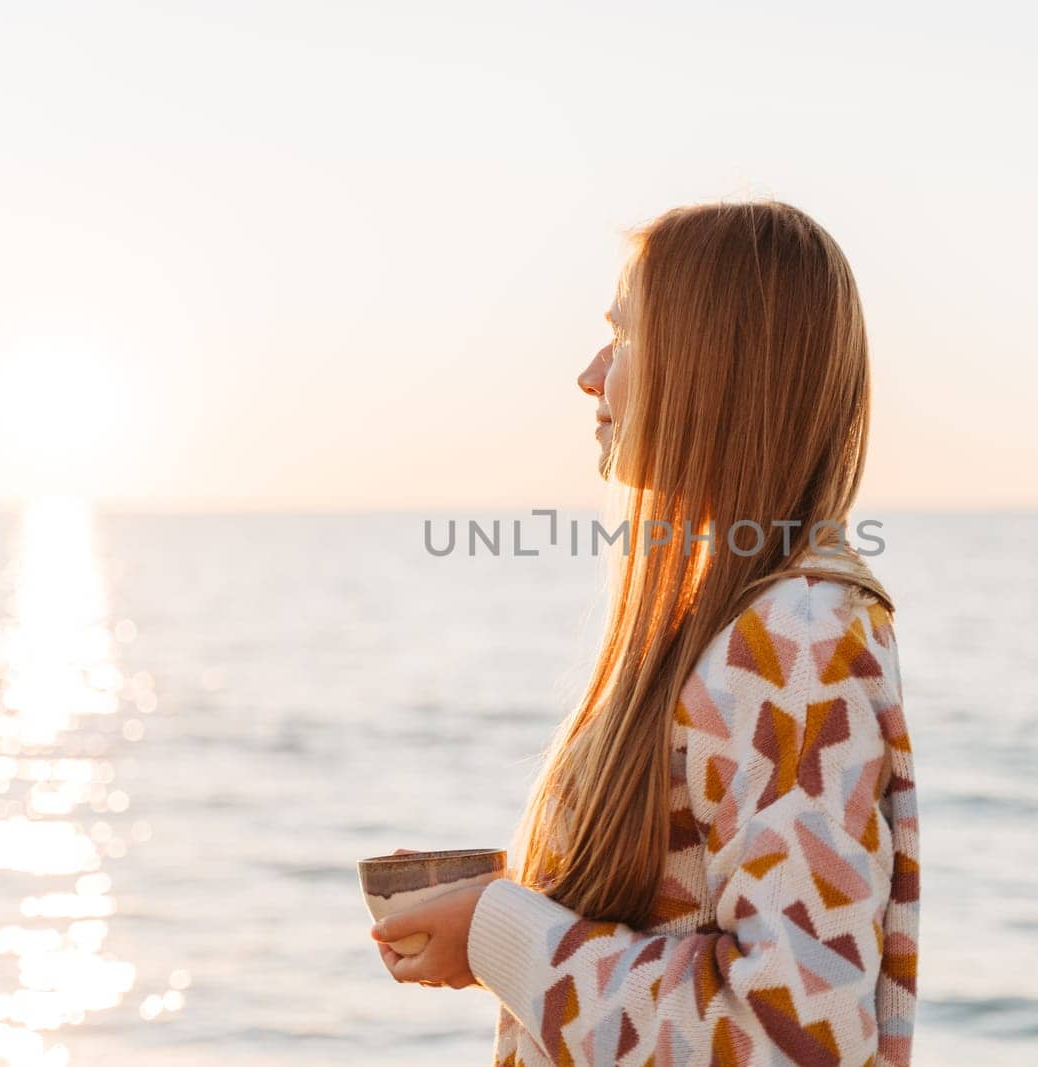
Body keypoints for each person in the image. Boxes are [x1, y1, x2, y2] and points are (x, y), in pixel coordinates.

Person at [371, 199, 920, 1065]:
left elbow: (791, 1043)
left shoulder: (797, 638)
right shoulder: (739, 616)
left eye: (624, 338)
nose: (590, 375)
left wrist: (500, 931)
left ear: (713, 363)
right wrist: (510, 899)